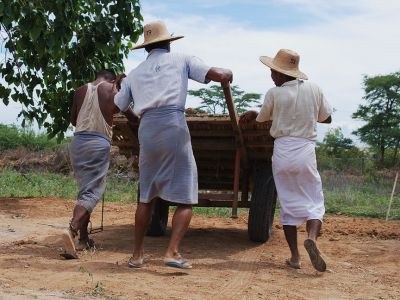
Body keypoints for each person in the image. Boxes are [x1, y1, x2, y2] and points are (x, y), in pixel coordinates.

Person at [114, 20, 233, 269]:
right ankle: (172, 252)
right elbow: (219, 75)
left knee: (146, 196)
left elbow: (119, 105)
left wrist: (121, 85)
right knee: (186, 197)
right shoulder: (183, 59)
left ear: (146, 47)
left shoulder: (134, 73)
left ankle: (137, 255)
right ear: (168, 42)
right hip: (172, 125)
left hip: (147, 129)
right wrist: (228, 74)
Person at [240, 49, 332, 272]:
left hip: (282, 152)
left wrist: (254, 113)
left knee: (289, 204)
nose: (272, 76)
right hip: (305, 150)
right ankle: (311, 238)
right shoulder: (315, 89)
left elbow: (261, 118)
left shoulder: (274, 93)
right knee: (314, 201)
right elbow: (327, 118)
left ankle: (295, 257)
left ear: (281, 74)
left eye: (273, 72)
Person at [62, 70, 134, 259]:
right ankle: (72, 229)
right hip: (97, 143)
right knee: (92, 192)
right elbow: (127, 113)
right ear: (111, 79)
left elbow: (73, 119)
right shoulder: (112, 90)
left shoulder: (80, 90)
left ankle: (84, 239)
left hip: (78, 143)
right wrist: (121, 88)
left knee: (85, 190)